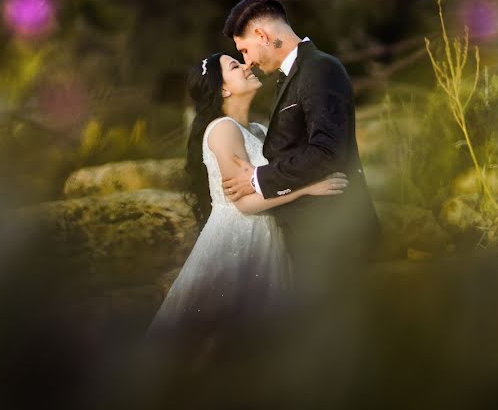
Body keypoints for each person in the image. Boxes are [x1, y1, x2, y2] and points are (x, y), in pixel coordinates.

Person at [145, 52, 347, 355]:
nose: (247, 65)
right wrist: (307, 189)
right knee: (216, 343)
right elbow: (244, 205)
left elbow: (273, 181)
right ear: (223, 88)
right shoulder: (223, 129)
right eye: (235, 66)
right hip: (237, 241)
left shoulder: (259, 131)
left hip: (269, 237)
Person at [220, 0, 381, 300]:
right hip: (314, 237)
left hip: (334, 235)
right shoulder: (290, 78)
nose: (247, 62)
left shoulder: (320, 69)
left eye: (244, 49)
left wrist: (257, 179)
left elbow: (326, 152)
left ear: (262, 35)